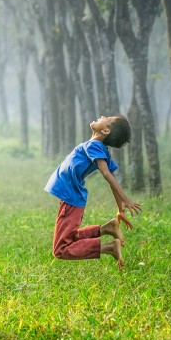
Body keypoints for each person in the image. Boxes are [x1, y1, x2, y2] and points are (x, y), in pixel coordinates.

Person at [45, 114, 142, 270]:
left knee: (61, 249)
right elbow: (112, 178)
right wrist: (120, 209)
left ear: (105, 130)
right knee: (69, 238)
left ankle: (109, 248)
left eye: (107, 118)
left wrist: (125, 199)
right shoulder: (98, 148)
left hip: (71, 198)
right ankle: (107, 228)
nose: (102, 116)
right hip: (71, 197)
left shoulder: (95, 146)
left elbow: (107, 174)